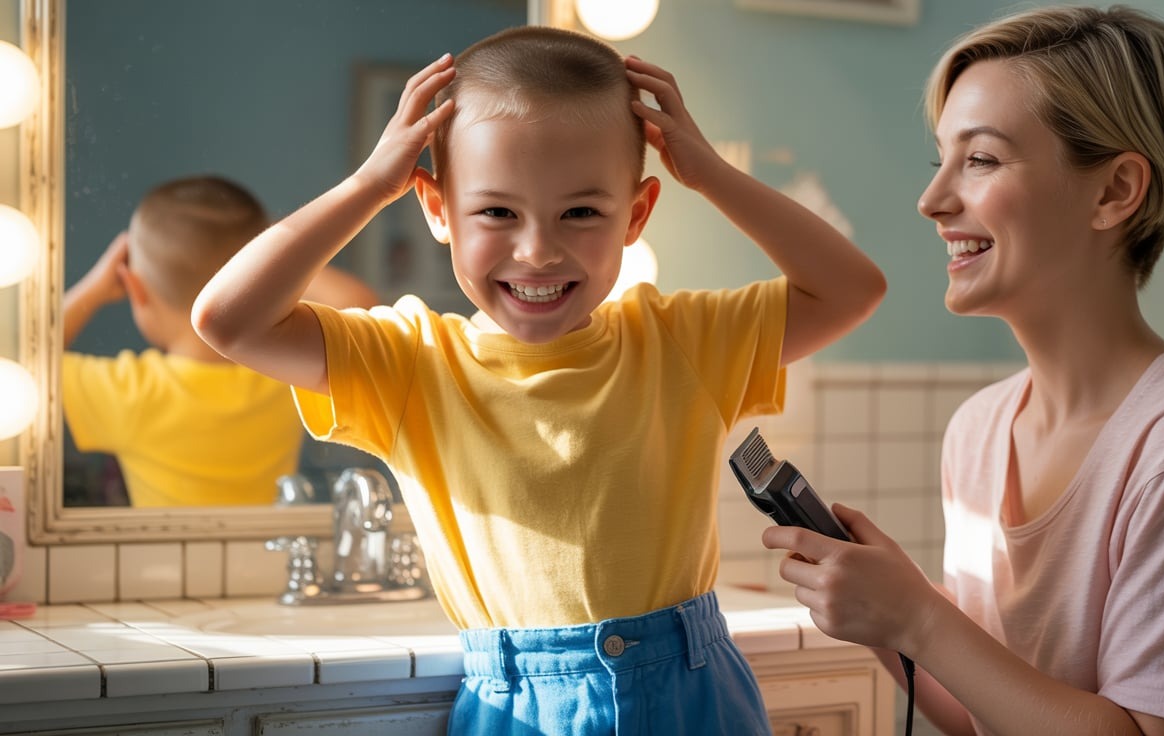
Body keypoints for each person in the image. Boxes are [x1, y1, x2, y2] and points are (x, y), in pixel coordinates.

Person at [191, 25, 886, 736]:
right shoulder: (409, 364)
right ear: (436, 208)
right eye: (496, 211)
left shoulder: (685, 342)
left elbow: (851, 289)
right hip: (515, 710)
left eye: (581, 212)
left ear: (636, 215)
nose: (538, 250)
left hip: (696, 700)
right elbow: (227, 319)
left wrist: (707, 172)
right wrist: (371, 185)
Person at [764, 5, 1164, 735]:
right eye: (942, 160)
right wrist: (881, 617)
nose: (933, 201)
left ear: (1116, 191)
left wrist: (920, 619)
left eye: (982, 159)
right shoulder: (978, 431)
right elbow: (983, 715)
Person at [63, 175, 378, 507]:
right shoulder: (282, 375)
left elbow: (27, 353)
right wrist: (271, 249)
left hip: (166, 561)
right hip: (263, 559)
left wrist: (94, 288)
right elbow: (360, 305)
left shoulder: (129, 392)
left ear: (134, 289)